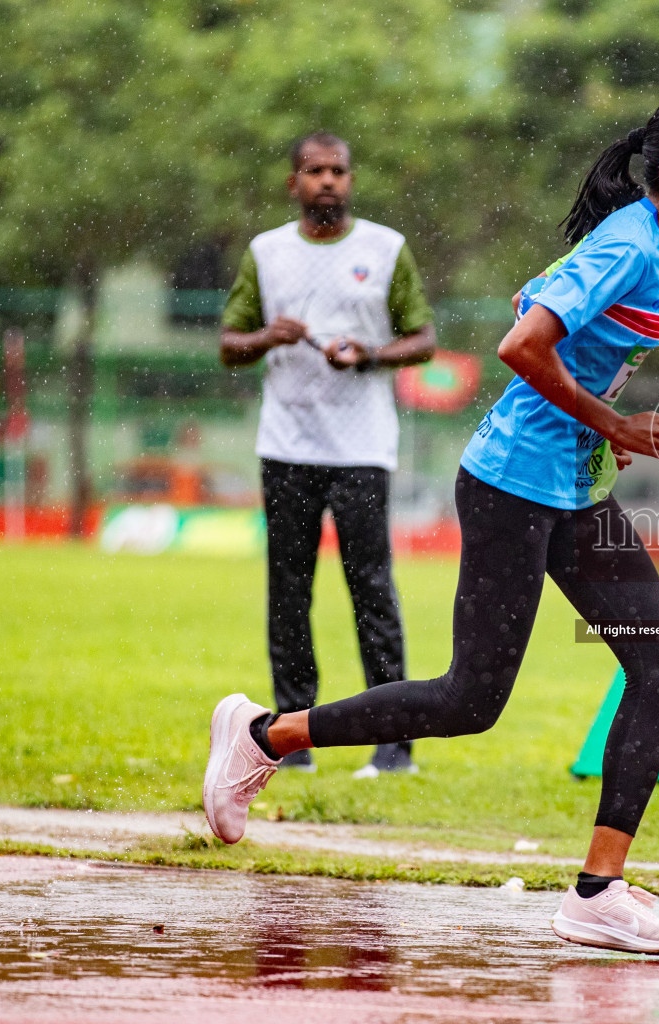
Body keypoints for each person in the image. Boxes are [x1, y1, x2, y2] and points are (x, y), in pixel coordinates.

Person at [203, 100, 659, 955]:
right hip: (512, 487)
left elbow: (561, 342)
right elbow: (521, 345)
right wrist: (616, 424)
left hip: (571, 490)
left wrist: (603, 426)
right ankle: (264, 734)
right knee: (469, 700)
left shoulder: (655, 245)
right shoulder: (629, 244)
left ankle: (598, 894)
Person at [219, 132, 437, 778]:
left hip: (363, 448)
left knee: (371, 589)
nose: (327, 181)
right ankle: (293, 742)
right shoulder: (267, 253)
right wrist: (267, 335)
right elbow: (230, 343)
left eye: (337, 170)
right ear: (294, 184)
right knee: (289, 592)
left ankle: (393, 748)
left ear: (351, 179)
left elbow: (423, 338)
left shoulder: (385, 248)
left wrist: (369, 354)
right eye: (314, 171)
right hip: (286, 448)